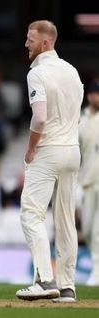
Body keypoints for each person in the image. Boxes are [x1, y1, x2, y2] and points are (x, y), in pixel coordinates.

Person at [16, 20, 83, 303]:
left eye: (31, 39)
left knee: (31, 214)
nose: (26, 44)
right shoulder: (72, 70)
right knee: (66, 220)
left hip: (49, 150)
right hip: (72, 149)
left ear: (45, 42)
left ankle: (45, 280)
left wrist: (31, 149)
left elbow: (40, 117)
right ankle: (67, 287)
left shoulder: (38, 73)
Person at [78, 81, 99, 286]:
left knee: (98, 229)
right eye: (93, 94)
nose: (95, 97)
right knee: (88, 228)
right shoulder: (82, 120)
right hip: (87, 181)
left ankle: (96, 271)